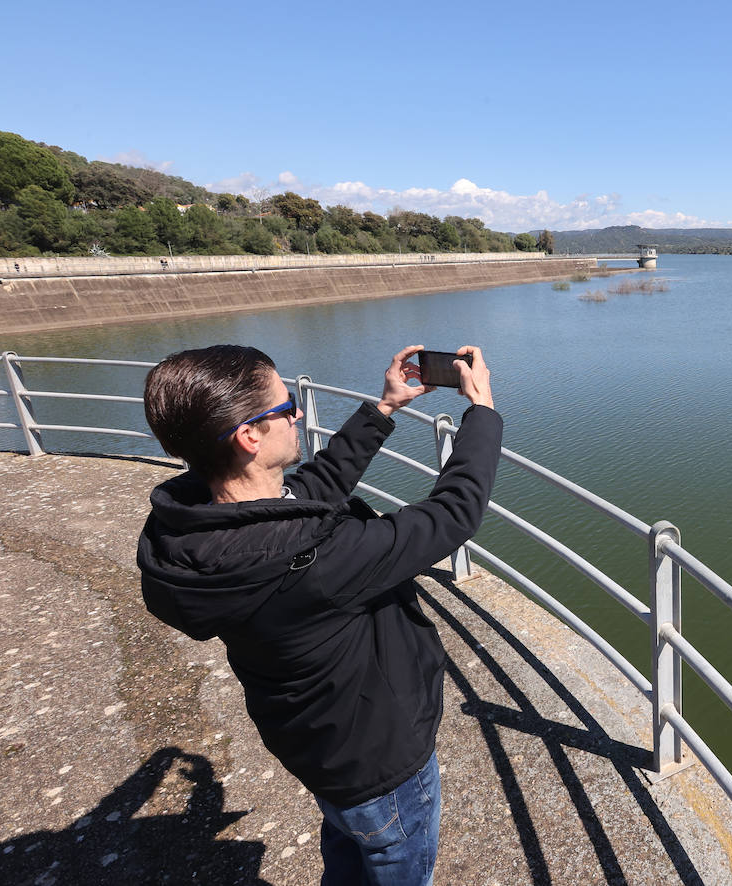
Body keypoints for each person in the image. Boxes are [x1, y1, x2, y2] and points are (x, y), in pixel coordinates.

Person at [136, 344, 501, 885]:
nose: (299, 413)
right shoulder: (319, 560)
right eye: (286, 408)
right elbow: (452, 514)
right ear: (249, 436)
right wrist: (483, 413)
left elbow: (307, 494)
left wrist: (383, 409)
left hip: (318, 748)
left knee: (348, 854)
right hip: (383, 764)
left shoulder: (189, 534)